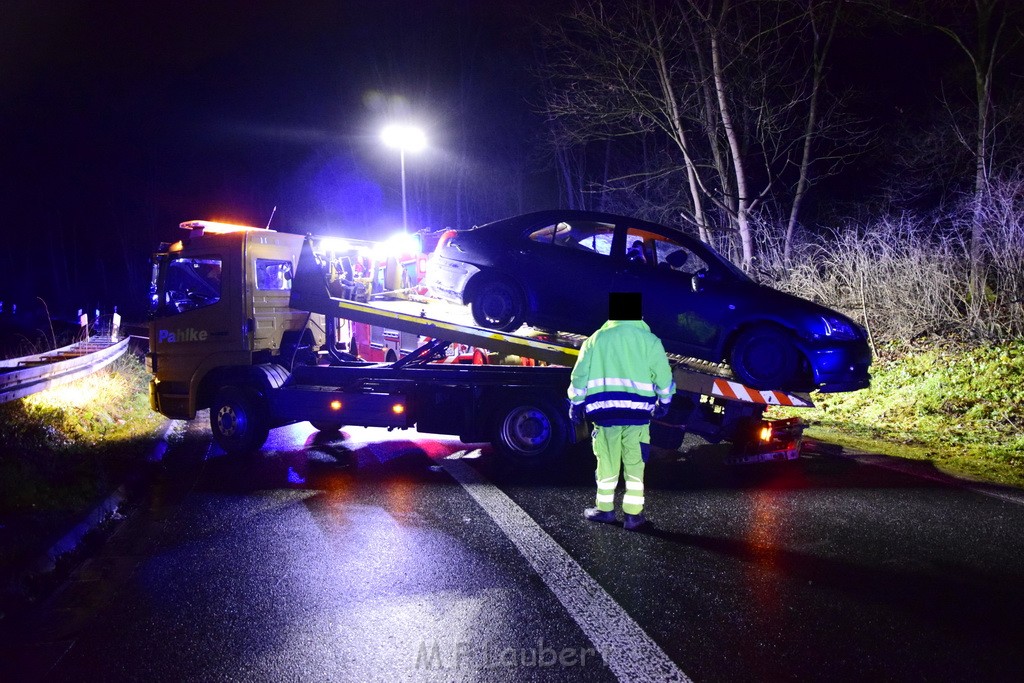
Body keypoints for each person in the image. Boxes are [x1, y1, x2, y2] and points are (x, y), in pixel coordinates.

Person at [568, 292, 675, 530]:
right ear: (638, 315)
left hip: (605, 418)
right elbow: (664, 378)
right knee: (635, 465)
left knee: (606, 463)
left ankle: (605, 510)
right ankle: (633, 517)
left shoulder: (595, 340)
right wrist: (665, 402)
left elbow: (579, 376)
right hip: (637, 418)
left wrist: (576, 403)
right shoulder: (650, 341)